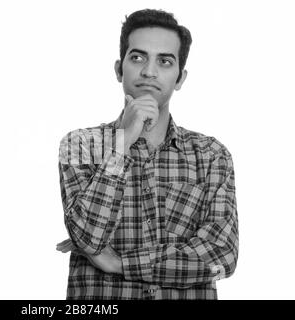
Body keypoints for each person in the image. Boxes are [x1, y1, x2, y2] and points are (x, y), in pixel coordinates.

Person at [56, 9, 238, 300]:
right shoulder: (80, 145)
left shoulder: (211, 156)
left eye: (165, 61)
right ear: (119, 69)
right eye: (138, 58)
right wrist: (123, 141)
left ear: (180, 78)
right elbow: (88, 237)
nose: (149, 71)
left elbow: (222, 258)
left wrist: (119, 263)